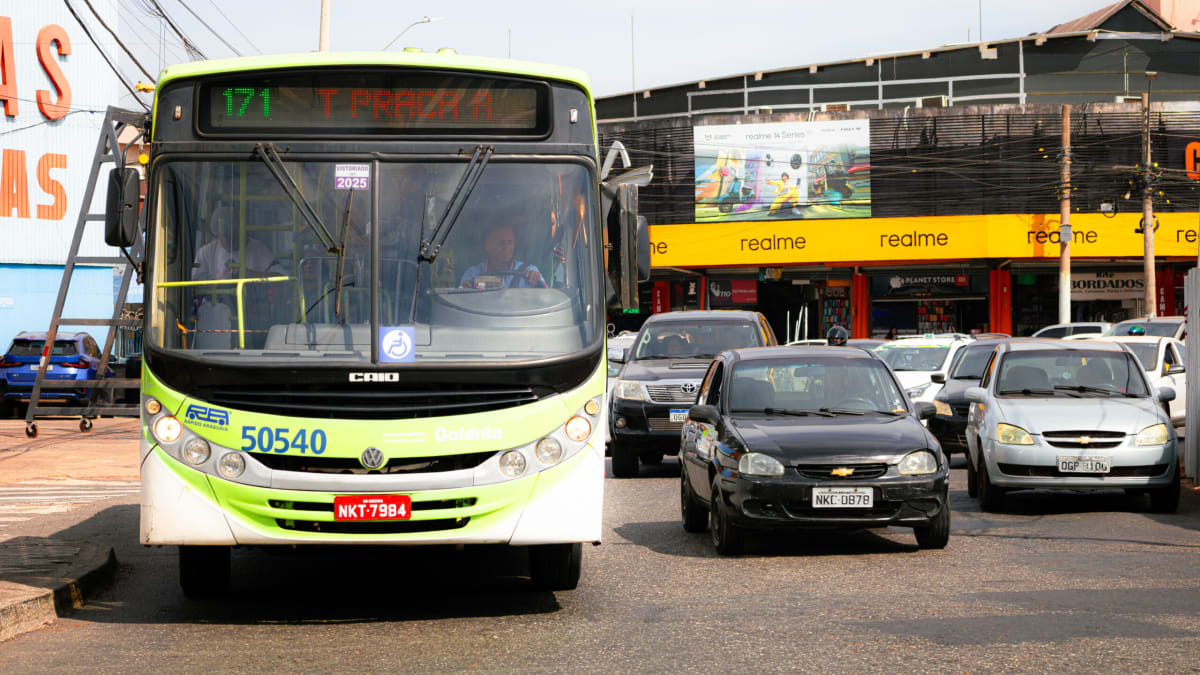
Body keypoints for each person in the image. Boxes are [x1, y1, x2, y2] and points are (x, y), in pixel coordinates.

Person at [193, 202, 280, 280]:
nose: (229, 240)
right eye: (225, 235)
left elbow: (282, 278)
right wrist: (218, 284)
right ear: (217, 234)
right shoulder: (206, 252)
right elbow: (194, 283)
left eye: (233, 234)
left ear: (240, 230)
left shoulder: (258, 249)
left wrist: (251, 274)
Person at [459, 224, 546, 289]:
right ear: (487, 245)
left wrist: (537, 283)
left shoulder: (529, 272)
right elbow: (461, 300)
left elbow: (548, 297)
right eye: (501, 243)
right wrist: (465, 290)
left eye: (510, 242)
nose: (506, 247)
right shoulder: (472, 274)